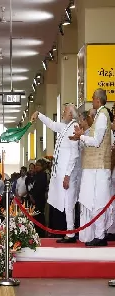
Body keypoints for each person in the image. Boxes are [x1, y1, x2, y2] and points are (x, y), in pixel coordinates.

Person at [69, 88, 113, 246]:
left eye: (93, 98)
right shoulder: (101, 116)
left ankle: (100, 236)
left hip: (99, 167)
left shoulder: (102, 116)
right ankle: (98, 234)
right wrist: (81, 136)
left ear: (98, 100)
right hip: (95, 168)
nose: (92, 100)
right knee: (94, 201)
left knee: (99, 201)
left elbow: (96, 141)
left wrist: (81, 136)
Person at [31, 104, 80, 243]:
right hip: (62, 174)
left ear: (71, 114)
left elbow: (74, 155)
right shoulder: (65, 127)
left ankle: (70, 234)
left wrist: (67, 175)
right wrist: (38, 114)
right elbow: (51, 124)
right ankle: (68, 232)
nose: (63, 113)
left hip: (68, 174)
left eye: (64, 111)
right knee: (64, 203)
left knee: (69, 203)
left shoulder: (73, 128)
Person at [30, 160, 48, 238]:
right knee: (35, 217)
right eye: (36, 165)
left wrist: (34, 196)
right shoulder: (36, 175)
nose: (36, 167)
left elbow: (40, 188)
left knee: (39, 216)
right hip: (34, 198)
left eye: (38, 165)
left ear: (42, 166)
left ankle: (41, 234)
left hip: (39, 199)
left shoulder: (43, 175)